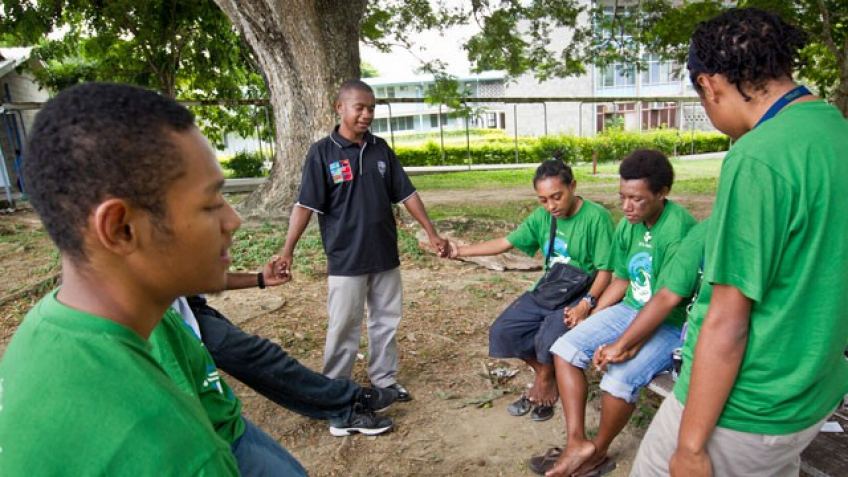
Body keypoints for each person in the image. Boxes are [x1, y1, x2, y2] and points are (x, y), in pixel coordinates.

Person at [631, 8, 848, 477]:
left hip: (745, 406)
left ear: (709, 84)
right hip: (812, 392)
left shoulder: (757, 157)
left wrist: (690, 447)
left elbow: (728, 322)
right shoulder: (835, 129)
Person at [0, 83, 239, 474]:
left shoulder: (45, 327)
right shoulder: (181, 454)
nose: (233, 220)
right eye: (211, 203)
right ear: (122, 228)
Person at [275, 79, 448, 401]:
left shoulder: (381, 149)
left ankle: (384, 379)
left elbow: (407, 194)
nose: (367, 114)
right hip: (346, 258)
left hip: (384, 253)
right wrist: (287, 251)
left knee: (386, 321)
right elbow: (305, 205)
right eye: (360, 107)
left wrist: (431, 232)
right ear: (339, 108)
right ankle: (336, 387)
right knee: (344, 326)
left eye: (371, 108)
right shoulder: (322, 153)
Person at [540, 149, 696, 476]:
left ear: (662, 193)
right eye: (622, 197)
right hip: (633, 309)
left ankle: (598, 451)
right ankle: (577, 442)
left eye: (637, 199)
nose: (626, 207)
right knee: (565, 348)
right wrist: (591, 308)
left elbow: (668, 300)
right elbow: (622, 279)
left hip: (670, 323)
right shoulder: (628, 226)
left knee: (619, 377)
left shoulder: (678, 230)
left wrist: (624, 342)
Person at [447, 158, 615, 421]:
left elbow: (607, 269)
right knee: (503, 331)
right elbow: (505, 242)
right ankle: (545, 375)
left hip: (583, 291)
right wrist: (459, 251)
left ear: (573, 186)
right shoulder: (543, 217)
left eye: (556, 197)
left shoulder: (597, 217)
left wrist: (587, 304)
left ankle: (545, 383)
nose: (551, 206)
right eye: (543, 200)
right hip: (550, 287)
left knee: (549, 335)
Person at [186, 264, 398, 436]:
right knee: (259, 357)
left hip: (190, 308)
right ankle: (348, 401)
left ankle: (344, 409)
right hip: (172, 321)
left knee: (255, 360)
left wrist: (259, 279)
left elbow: (192, 277)